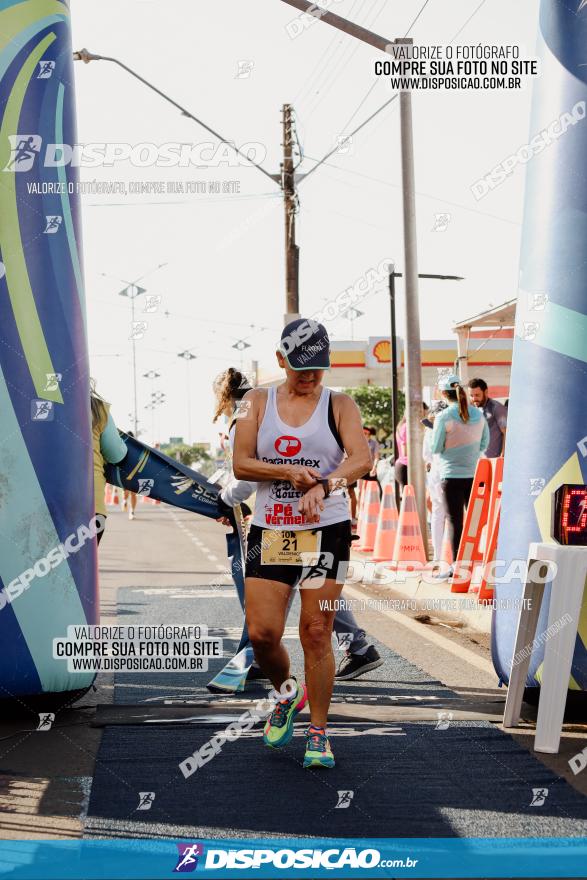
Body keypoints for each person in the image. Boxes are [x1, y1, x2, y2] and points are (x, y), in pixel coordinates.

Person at [233, 318, 373, 769]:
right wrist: (288, 473)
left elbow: (361, 458)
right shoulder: (256, 402)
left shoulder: (340, 404)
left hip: (326, 528)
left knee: (316, 631)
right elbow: (240, 463)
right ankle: (286, 694)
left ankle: (319, 732)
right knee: (262, 635)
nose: (311, 377)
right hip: (272, 530)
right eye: (301, 368)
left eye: (318, 368)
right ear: (281, 360)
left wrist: (326, 485)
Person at [215, 367, 382, 686]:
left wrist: (226, 499)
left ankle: (258, 658)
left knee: (297, 606)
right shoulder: (261, 407)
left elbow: (246, 476)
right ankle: (353, 646)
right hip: (289, 522)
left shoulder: (247, 417)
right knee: (308, 596)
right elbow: (249, 468)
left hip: (301, 523)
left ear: (225, 401)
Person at [431, 375, 489, 577]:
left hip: (451, 476)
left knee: (456, 521)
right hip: (474, 475)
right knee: (476, 521)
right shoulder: (479, 415)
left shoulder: (443, 417)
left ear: (443, 394)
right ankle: (479, 566)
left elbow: (436, 447)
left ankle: (458, 568)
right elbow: (484, 444)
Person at [91, 381, 127, 545]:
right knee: (81, 568)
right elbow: (116, 454)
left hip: (32, 503)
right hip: (90, 505)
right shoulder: (96, 408)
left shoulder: (25, 403)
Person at [422, 401, 448, 562]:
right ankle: (449, 557)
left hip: (435, 475)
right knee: (451, 516)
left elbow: (426, 456)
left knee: (438, 515)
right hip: (447, 474)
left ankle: (439, 556)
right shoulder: (450, 427)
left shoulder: (429, 430)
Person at [467, 377, 507, 458]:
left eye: (477, 395)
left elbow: (507, 432)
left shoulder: (496, 408)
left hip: (493, 461)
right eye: (471, 395)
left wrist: (503, 455)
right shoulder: (471, 409)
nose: (474, 399)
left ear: (486, 392)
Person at [121, 430, 138, 520]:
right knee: (126, 493)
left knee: (133, 494)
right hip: (125, 473)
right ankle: (124, 500)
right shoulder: (122, 446)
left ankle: (132, 511)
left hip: (134, 473)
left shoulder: (137, 448)